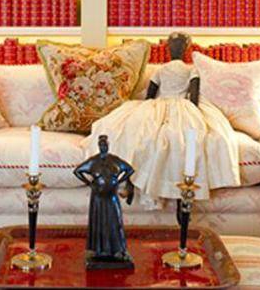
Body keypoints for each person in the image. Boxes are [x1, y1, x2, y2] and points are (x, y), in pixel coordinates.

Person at [82, 32, 240, 207]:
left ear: (168, 49)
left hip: (158, 105)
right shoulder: (190, 69)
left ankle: (131, 180)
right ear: (186, 49)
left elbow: (150, 95)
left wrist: (151, 107)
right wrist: (193, 110)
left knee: (140, 133)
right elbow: (193, 97)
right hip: (183, 106)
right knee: (182, 137)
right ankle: (178, 187)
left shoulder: (161, 69)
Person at [74, 135, 135, 269]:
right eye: (101, 145)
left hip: (112, 196)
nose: (103, 147)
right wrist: (89, 183)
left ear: (108, 145)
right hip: (98, 196)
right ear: (98, 146)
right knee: (98, 220)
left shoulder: (115, 160)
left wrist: (119, 181)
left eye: (105, 145)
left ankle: (118, 249)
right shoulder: (93, 161)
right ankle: (99, 250)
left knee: (115, 221)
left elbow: (130, 169)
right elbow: (77, 171)